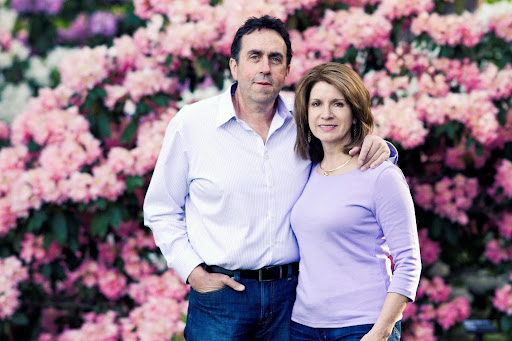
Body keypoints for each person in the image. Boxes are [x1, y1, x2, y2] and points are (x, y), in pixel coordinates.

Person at [143, 16, 395, 340]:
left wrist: (381, 147)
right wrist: (192, 271)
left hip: (291, 299)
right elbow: (161, 208)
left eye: (275, 59)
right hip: (221, 299)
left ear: (286, 71)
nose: (265, 67)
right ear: (234, 67)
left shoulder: (305, 118)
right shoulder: (191, 125)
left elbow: (347, 145)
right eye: (255, 56)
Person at [290, 62, 421, 341]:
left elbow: (409, 261)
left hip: (362, 327)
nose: (326, 114)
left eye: (338, 103)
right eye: (316, 104)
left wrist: (382, 331)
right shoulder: (305, 171)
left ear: (354, 110)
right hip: (302, 326)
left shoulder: (381, 175)